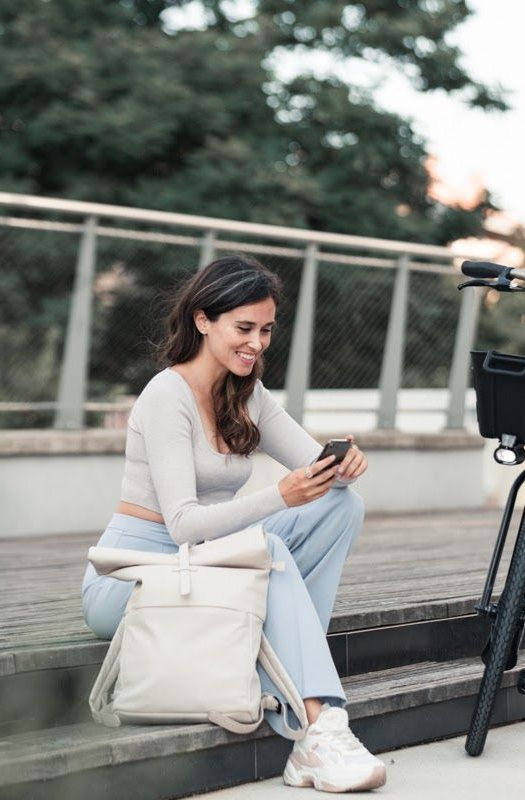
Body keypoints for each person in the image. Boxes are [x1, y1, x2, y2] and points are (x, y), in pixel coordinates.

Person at [81, 254, 387, 793]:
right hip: (134, 576)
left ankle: (287, 679)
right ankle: (318, 726)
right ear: (203, 320)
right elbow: (183, 526)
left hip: (210, 566)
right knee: (267, 547)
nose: (258, 342)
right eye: (244, 328)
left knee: (342, 507)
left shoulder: (247, 393)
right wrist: (279, 496)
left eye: (266, 329)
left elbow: (312, 469)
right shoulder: (166, 395)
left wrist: (341, 468)